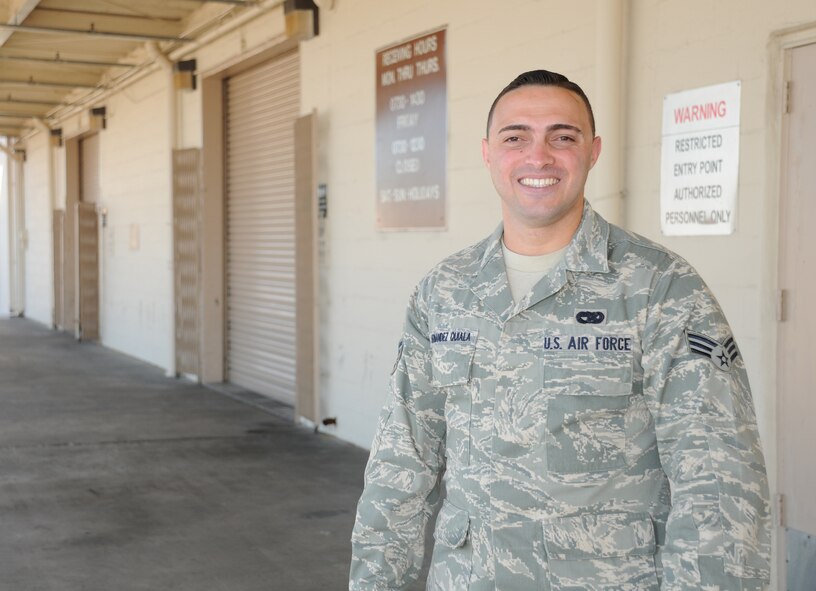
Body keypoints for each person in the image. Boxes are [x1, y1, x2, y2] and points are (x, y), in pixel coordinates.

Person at [349, 70, 770, 590]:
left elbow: (720, 485)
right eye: (515, 137)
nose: (538, 156)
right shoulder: (444, 291)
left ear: (592, 152)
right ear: (487, 153)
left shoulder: (659, 288)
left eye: (562, 137)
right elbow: (402, 462)